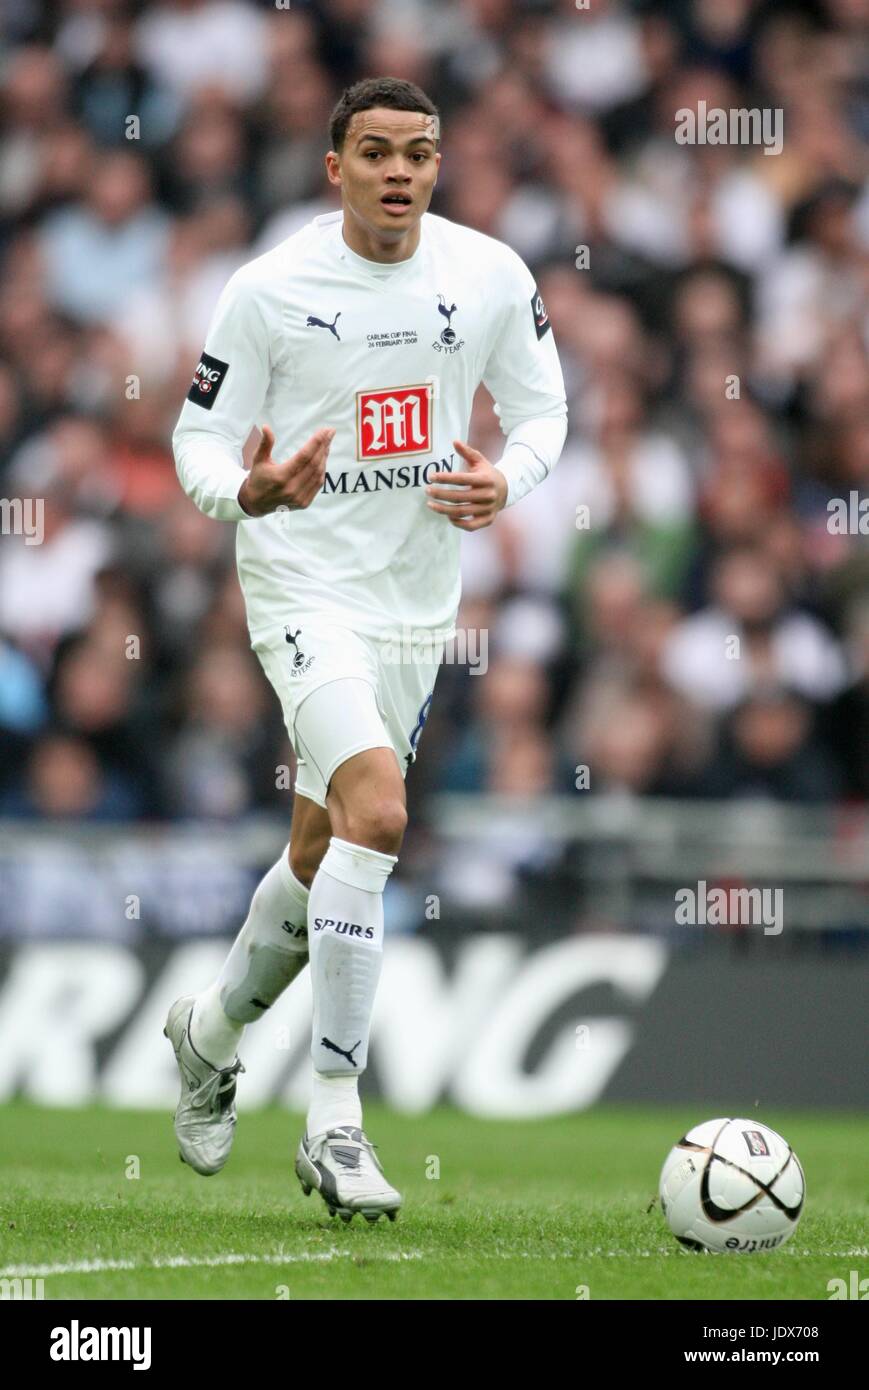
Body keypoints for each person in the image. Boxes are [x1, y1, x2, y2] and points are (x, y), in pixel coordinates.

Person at [168, 76, 567, 1223]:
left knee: (318, 851)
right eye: (377, 151)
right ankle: (335, 1120)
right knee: (380, 815)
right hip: (299, 585)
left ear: (439, 167)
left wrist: (508, 478)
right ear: (332, 166)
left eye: (420, 153)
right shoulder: (270, 289)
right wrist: (247, 489)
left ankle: (207, 1033)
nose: (400, 171)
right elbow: (195, 437)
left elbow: (542, 413)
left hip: (413, 606)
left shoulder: (487, 272)